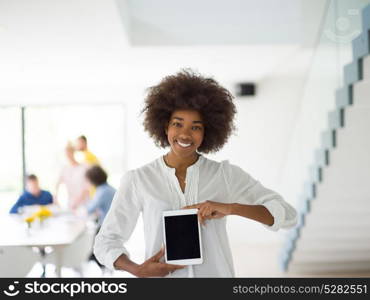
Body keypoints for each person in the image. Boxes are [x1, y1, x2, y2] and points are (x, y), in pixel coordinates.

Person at [94, 70, 297, 278]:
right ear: (165, 126)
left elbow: (288, 215)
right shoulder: (138, 179)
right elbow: (105, 241)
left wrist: (230, 208)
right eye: (177, 124)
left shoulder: (225, 175)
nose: (185, 134)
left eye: (196, 127)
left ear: (207, 132)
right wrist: (136, 269)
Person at [84, 165, 115, 269]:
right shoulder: (109, 188)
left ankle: (96, 260)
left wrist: (87, 194)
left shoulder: (102, 191)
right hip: (112, 224)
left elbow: (89, 209)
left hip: (106, 225)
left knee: (93, 240)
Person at [55, 143, 89, 211]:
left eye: (69, 152)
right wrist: (55, 197)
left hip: (84, 204)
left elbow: (86, 188)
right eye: (66, 153)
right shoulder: (64, 169)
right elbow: (57, 184)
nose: (68, 155)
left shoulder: (84, 167)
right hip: (71, 203)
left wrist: (77, 202)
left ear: (73, 152)